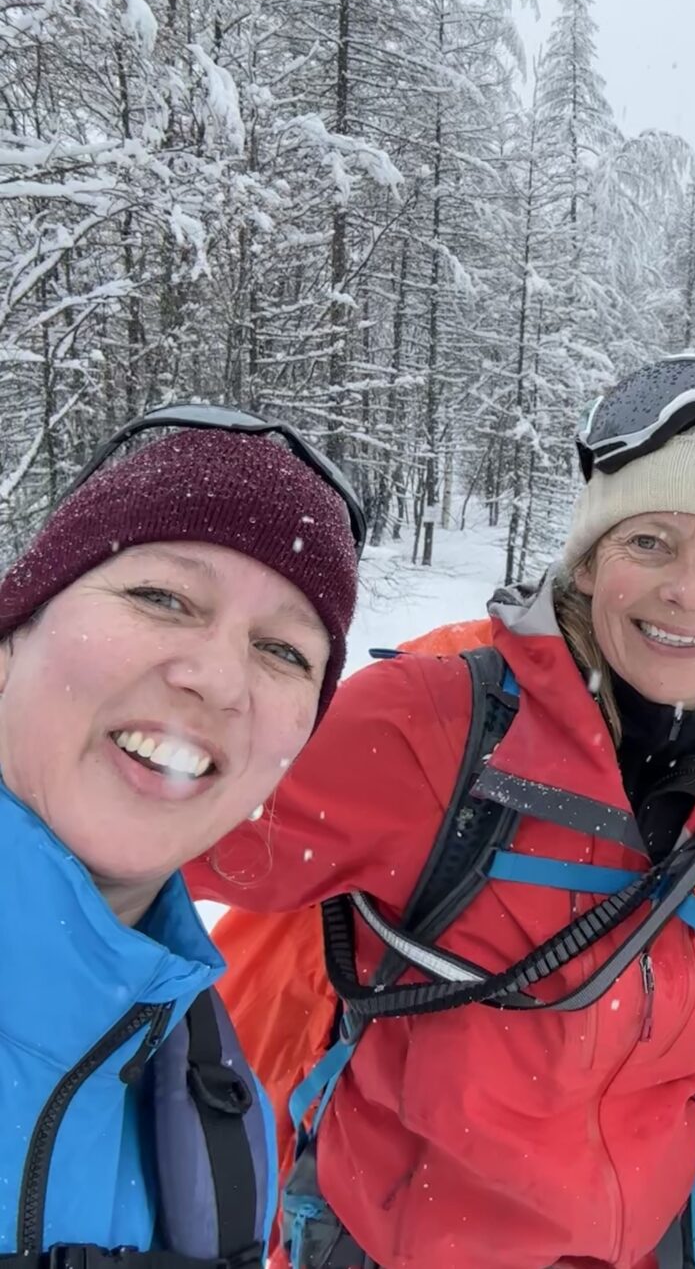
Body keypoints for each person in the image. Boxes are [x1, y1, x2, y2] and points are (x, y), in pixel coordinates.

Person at [191, 355, 695, 1269]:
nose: (689, 593)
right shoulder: (430, 724)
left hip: (646, 1244)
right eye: (648, 543)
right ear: (586, 563)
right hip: (399, 1244)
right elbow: (161, 837)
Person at [0, 405, 361, 1267]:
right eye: (161, 597)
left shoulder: (212, 1103)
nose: (217, 679)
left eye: (284, 652)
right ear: (13, 637)